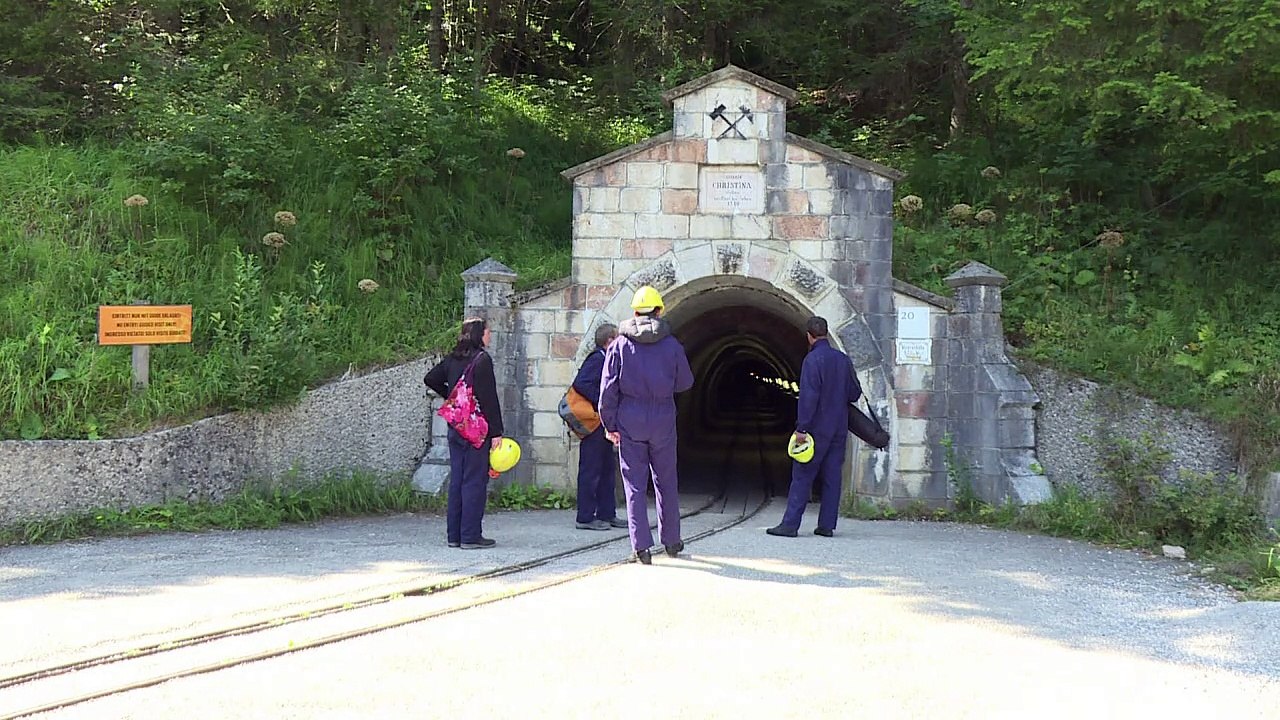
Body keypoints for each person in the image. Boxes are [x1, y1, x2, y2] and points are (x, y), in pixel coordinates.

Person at [599, 285, 693, 565]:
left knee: (634, 484)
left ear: (634, 312)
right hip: (662, 417)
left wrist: (609, 423)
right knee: (666, 480)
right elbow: (685, 382)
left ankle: (641, 547)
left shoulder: (619, 345)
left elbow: (608, 390)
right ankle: (672, 541)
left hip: (630, 417)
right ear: (659, 310)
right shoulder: (672, 345)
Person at [767, 316, 862, 538]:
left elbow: (808, 398)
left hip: (816, 428)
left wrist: (802, 429)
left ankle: (790, 525)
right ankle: (826, 526)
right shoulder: (842, 359)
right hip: (839, 427)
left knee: (802, 474)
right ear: (826, 333)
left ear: (809, 337)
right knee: (832, 475)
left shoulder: (812, 361)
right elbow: (855, 393)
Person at [424, 317, 504, 550]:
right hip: (476, 429)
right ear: (480, 334)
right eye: (488, 332)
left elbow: (430, 378)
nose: (490, 336)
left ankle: (454, 535)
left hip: (456, 426)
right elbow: (489, 399)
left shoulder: (453, 358)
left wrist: (450, 396)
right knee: (475, 481)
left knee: (457, 480)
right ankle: (470, 535)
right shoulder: (482, 360)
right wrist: (497, 431)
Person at [572, 322, 626, 531]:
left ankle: (607, 513)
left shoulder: (607, 359)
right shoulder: (597, 359)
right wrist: (603, 403)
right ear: (609, 341)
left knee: (606, 468)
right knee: (590, 469)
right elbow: (581, 384)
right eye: (618, 338)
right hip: (592, 421)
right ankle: (585, 517)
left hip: (601, 423)